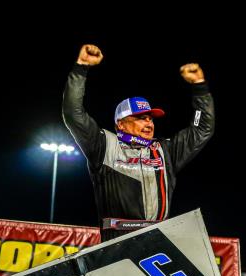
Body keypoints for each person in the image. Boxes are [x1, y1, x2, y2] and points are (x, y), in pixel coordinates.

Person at [62, 44, 215, 241]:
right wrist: (81, 67)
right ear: (121, 124)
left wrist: (199, 87)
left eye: (150, 118)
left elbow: (202, 128)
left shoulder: (165, 150)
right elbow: (73, 113)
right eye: (141, 118)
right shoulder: (104, 145)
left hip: (159, 239)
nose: (149, 123)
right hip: (117, 241)